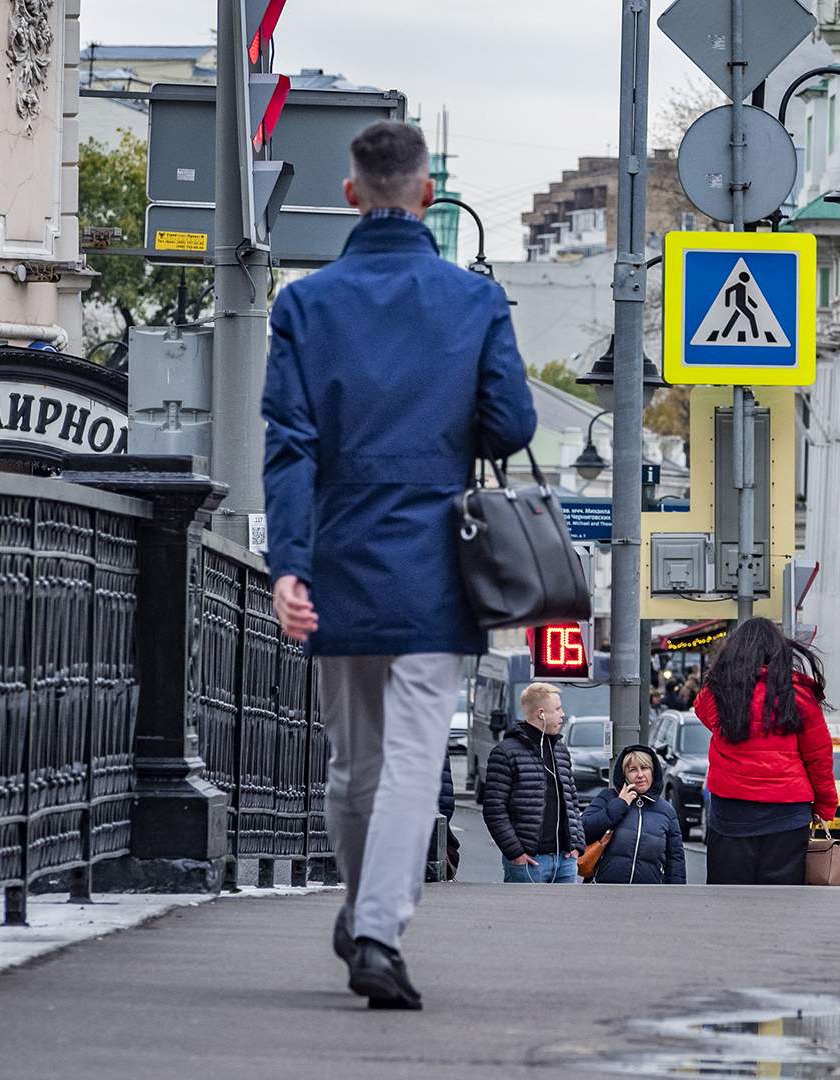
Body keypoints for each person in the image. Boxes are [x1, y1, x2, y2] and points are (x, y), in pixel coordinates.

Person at [262, 120, 536, 1010]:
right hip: (433, 560)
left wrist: (289, 566)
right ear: (426, 195)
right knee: (418, 756)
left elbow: (289, 447)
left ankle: (364, 913)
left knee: (354, 764)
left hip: (339, 554)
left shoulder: (305, 305)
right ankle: (376, 929)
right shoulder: (472, 301)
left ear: (352, 195)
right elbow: (514, 427)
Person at [692, 617, 838, 885]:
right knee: (781, 901)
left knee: (729, 899)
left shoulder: (719, 693)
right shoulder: (800, 695)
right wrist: (825, 806)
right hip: (788, 814)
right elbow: (818, 757)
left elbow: (703, 711)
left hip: (731, 811)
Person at [482, 682, 585, 885]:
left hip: (565, 860)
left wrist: (576, 845)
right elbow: (494, 809)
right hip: (530, 862)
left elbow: (572, 801)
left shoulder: (560, 750)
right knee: (526, 917)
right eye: (557, 709)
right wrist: (515, 853)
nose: (563, 714)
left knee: (568, 917)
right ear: (541, 714)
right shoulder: (506, 752)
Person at [581, 746, 686, 884]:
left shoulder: (666, 811)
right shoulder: (608, 798)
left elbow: (675, 860)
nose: (640, 775)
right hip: (604, 892)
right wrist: (620, 804)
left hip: (649, 896)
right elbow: (582, 830)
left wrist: (676, 896)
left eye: (645, 768)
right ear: (624, 775)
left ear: (653, 772)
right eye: (633, 770)